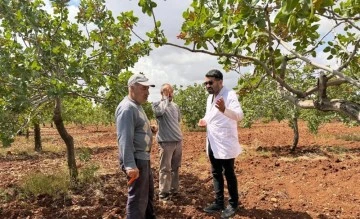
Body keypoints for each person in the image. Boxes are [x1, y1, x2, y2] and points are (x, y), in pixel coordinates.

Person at [198, 69, 244, 218]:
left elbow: (239, 116)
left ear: (220, 81)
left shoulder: (230, 95)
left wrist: (225, 109)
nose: (207, 86)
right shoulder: (209, 98)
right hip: (212, 140)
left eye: (210, 82)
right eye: (206, 83)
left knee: (228, 173)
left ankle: (233, 204)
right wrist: (204, 120)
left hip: (224, 141)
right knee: (216, 172)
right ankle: (218, 202)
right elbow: (210, 116)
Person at [115, 73, 156, 219]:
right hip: (136, 160)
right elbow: (124, 138)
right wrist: (130, 165)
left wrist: (148, 129)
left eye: (148, 89)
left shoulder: (136, 106)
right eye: (144, 88)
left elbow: (135, 128)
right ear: (132, 88)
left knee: (147, 196)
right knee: (138, 200)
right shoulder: (127, 108)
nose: (148, 92)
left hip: (143, 158)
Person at [152, 83, 183, 201]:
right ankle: (163, 194)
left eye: (171, 91)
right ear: (162, 93)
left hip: (177, 141)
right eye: (166, 91)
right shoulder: (157, 105)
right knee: (165, 168)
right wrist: (165, 98)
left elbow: (178, 120)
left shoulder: (175, 106)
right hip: (165, 143)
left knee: (175, 167)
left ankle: (174, 190)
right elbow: (159, 113)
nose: (170, 94)